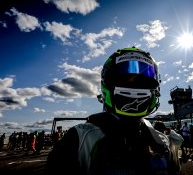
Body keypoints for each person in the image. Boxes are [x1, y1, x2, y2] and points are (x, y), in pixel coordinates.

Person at [46, 47, 180, 175]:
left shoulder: (162, 142)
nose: (134, 86)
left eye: (143, 80)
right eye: (125, 79)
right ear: (107, 83)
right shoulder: (80, 138)